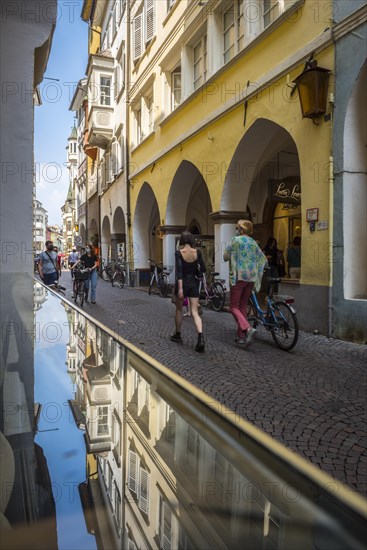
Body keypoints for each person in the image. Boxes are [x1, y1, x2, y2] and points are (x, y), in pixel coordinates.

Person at [223, 220, 267, 346]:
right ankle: (241, 336)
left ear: (241, 229)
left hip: (239, 277)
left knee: (233, 307)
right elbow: (263, 259)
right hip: (251, 278)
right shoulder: (254, 243)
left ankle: (247, 329)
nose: (237, 230)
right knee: (242, 306)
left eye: (237, 227)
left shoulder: (235, 240)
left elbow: (225, 256)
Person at [171, 231, 206, 352]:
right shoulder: (198, 252)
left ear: (181, 240)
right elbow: (203, 268)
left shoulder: (179, 253)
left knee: (179, 310)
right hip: (194, 284)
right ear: (191, 240)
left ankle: (178, 334)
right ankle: (200, 338)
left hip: (182, 284)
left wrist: (180, 288)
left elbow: (179, 271)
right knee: (195, 312)